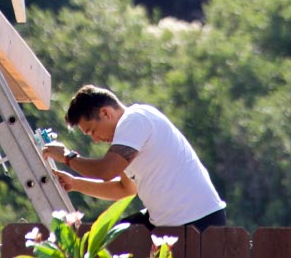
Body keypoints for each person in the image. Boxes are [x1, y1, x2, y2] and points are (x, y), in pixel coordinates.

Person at [42, 84, 227, 232]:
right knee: (105, 241)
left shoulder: (134, 119)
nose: (96, 140)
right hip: (172, 223)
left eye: (93, 131)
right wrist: (75, 184)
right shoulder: (128, 139)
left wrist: (67, 157)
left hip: (198, 223)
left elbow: (106, 171)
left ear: (105, 113)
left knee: (106, 245)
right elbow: (125, 189)